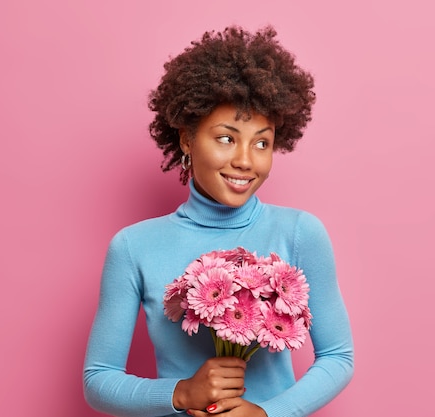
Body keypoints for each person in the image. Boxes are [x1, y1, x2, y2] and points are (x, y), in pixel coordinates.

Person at [83, 26, 354, 417]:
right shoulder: (132, 247)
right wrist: (179, 394)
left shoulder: (299, 233)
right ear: (186, 139)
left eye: (262, 142)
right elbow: (98, 380)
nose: (246, 160)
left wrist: (267, 414)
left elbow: (338, 357)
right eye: (226, 138)